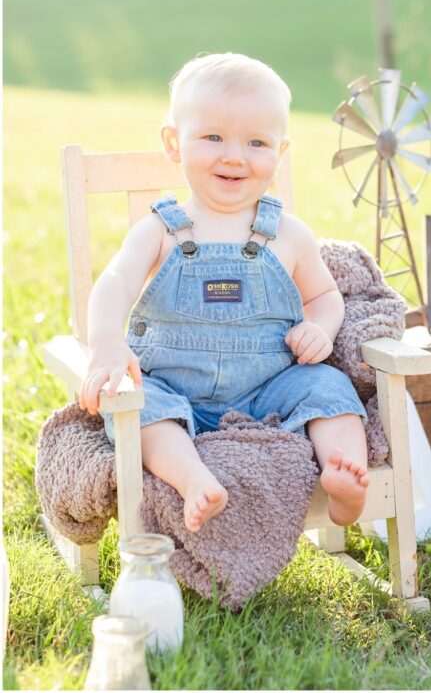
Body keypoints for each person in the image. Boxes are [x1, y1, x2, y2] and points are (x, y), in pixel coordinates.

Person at [80, 52, 370, 533]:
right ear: (174, 143)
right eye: (213, 137)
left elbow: (324, 296)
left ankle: (344, 482)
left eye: (256, 142)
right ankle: (193, 477)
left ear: (280, 153)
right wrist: (107, 342)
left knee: (329, 387)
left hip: (267, 388)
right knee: (141, 405)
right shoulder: (160, 229)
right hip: (174, 387)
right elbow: (114, 283)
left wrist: (319, 327)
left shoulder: (289, 234)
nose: (234, 155)